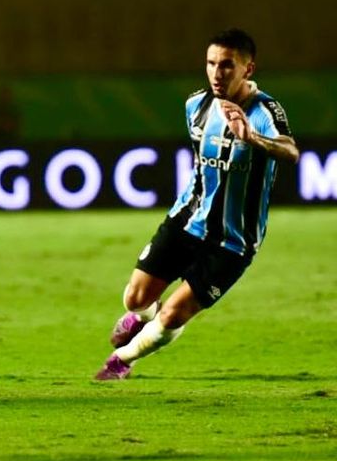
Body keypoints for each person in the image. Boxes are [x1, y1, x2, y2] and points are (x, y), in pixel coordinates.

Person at [95, 28, 298, 381]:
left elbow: (291, 152)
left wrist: (253, 138)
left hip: (234, 240)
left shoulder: (265, 110)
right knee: (135, 299)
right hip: (188, 220)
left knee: (172, 316)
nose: (217, 74)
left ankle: (121, 360)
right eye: (211, 64)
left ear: (248, 69)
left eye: (227, 66)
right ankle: (140, 317)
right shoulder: (196, 105)